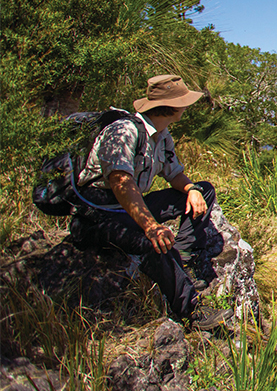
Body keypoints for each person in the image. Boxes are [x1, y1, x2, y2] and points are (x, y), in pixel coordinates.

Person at [69, 74, 231, 329]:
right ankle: (191, 310)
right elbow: (120, 181)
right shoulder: (124, 130)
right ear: (172, 106)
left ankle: (184, 255)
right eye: (183, 102)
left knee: (205, 190)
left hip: (128, 205)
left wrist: (191, 188)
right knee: (153, 243)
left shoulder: (161, 135)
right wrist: (150, 225)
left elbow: (173, 173)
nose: (187, 107)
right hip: (100, 211)